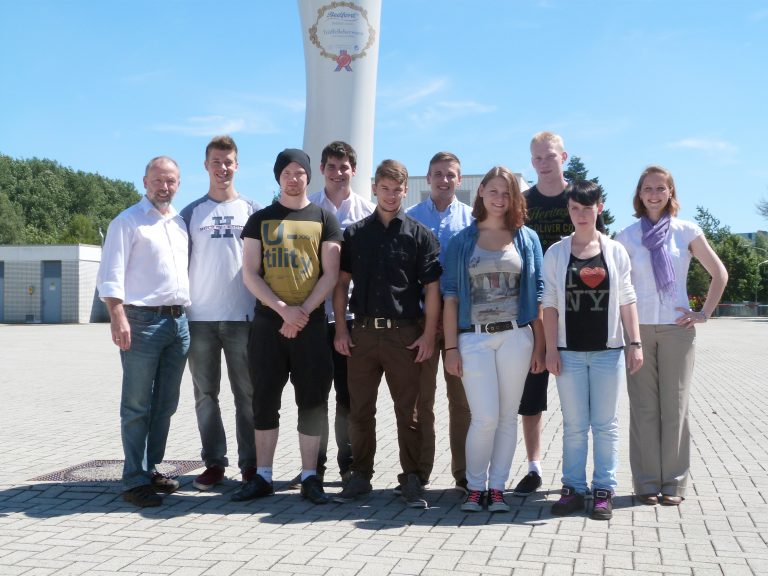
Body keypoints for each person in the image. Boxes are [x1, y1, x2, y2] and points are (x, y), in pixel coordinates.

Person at [232, 148, 342, 505]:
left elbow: (331, 273)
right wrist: (282, 311)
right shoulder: (260, 219)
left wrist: (302, 312)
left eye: (299, 172)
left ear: (309, 176)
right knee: (264, 400)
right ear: (278, 177)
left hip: (311, 325)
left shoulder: (325, 218)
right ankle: (263, 475)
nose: (293, 179)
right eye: (287, 173)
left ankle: (310, 476)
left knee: (312, 402)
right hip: (268, 324)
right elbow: (250, 273)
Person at [332, 159, 442, 509]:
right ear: (374, 188)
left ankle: (412, 478)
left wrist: (428, 335)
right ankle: (360, 476)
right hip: (362, 334)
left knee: (409, 412)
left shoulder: (420, 235)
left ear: (406, 191)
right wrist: (341, 328)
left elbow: (433, 289)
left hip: (404, 335)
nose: (391, 195)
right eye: (385, 188)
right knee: (360, 411)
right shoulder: (355, 234)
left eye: (397, 190)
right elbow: (341, 284)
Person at [616, 165, 727, 507]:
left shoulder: (686, 231)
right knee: (644, 409)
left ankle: (674, 484)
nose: (654, 194)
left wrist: (703, 313)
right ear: (639, 194)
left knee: (675, 407)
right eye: (647, 189)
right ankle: (646, 482)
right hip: (638, 331)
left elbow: (719, 273)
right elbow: (618, 286)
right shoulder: (625, 236)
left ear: (670, 193)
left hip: (678, 331)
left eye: (660, 188)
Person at [441, 166, 544, 513]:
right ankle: (475, 488)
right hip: (474, 339)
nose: (500, 199)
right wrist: (450, 348)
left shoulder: (527, 239)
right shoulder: (462, 241)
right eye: (494, 191)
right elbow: (451, 297)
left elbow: (538, 295)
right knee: (484, 417)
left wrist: (540, 346)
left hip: (516, 337)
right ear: (481, 191)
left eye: (507, 193)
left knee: (507, 417)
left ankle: (497, 489)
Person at [542, 181, 643, 520]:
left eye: (587, 208)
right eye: (575, 208)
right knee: (573, 425)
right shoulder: (557, 253)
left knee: (605, 425)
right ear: (568, 210)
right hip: (568, 352)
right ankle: (573, 489)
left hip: (607, 352)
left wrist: (635, 343)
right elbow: (550, 304)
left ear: (599, 208)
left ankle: (603, 489)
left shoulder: (614, 251)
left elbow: (627, 299)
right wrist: (551, 348)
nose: (581, 214)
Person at [512, 131, 605, 497]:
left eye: (549, 156)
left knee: (581, 403)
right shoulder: (523, 202)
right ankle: (534, 467)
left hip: (580, 311)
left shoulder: (579, 197)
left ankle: (583, 472)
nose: (543, 163)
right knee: (531, 395)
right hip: (535, 311)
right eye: (537, 158)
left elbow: (602, 250)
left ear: (563, 157)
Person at [97, 156, 190, 508]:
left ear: (178, 184)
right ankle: (134, 479)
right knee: (137, 404)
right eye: (158, 180)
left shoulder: (179, 223)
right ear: (145, 181)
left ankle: (150, 468)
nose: (164, 187)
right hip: (141, 322)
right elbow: (110, 274)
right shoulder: (127, 221)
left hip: (178, 323)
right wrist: (117, 315)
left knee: (165, 403)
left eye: (171, 181)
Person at [284, 141, 375, 488]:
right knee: (313, 395)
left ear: (354, 170)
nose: (338, 173)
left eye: (344, 167)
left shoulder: (367, 212)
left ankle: (347, 464)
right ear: (321, 170)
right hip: (311, 317)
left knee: (348, 397)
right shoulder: (306, 209)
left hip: (351, 319)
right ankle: (314, 466)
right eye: (332, 167)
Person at [180, 135, 260, 491]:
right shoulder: (190, 213)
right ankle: (214, 463)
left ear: (237, 165)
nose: (222, 168)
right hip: (200, 320)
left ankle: (251, 465)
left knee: (248, 396)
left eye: (228, 162)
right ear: (206, 165)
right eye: (216, 161)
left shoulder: (253, 210)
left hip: (243, 318)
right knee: (205, 395)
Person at [406, 151, 473, 493]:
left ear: (459, 180)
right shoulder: (411, 218)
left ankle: (465, 474)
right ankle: (419, 471)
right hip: (421, 323)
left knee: (462, 403)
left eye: (450, 174)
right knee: (421, 401)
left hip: (460, 324)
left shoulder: (472, 220)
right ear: (428, 177)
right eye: (437, 174)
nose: (444, 180)